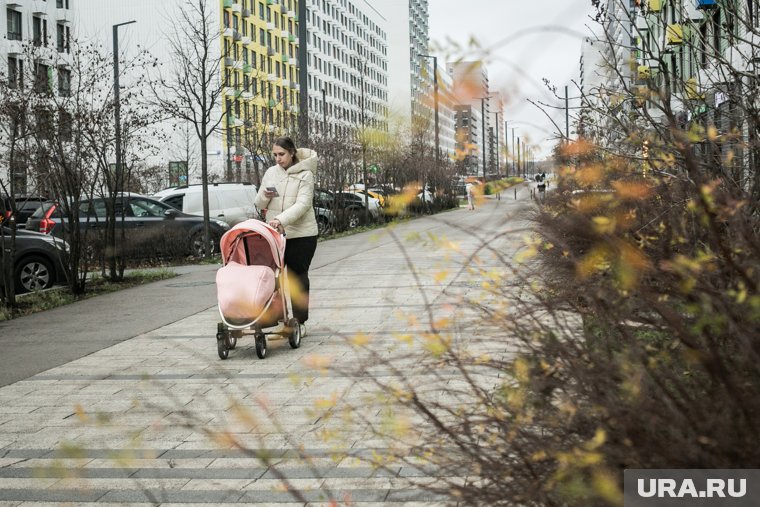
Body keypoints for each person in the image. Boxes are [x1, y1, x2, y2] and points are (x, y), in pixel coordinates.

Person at [255, 137, 318, 337]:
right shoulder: (270, 173)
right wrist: (265, 195)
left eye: (281, 154)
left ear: (292, 152)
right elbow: (259, 203)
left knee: (297, 278)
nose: (278, 159)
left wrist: (281, 219)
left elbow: (303, 204)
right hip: (275, 236)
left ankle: (300, 321)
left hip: (302, 235)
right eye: (274, 155)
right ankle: (281, 319)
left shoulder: (305, 174)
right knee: (274, 278)